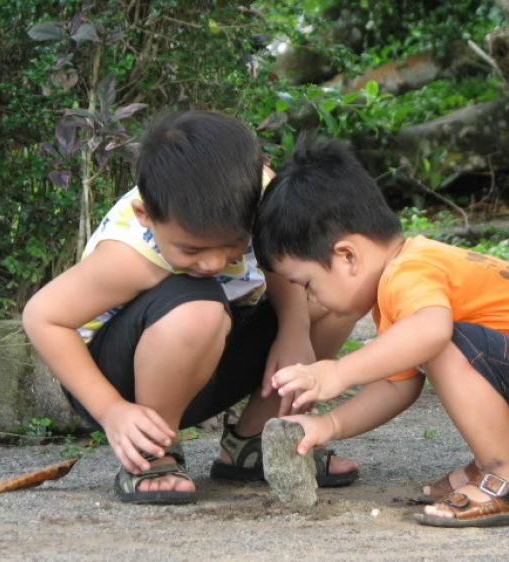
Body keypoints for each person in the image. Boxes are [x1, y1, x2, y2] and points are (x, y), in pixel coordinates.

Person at [253, 136, 509, 528]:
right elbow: (397, 386)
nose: (312, 299)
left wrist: (337, 373)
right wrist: (329, 426)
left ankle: (507, 478)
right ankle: (489, 467)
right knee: (437, 341)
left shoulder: (409, 271)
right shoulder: (401, 283)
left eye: (307, 283)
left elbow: (432, 334)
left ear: (347, 256)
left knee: (441, 340)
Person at [22, 112, 359, 505]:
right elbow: (42, 317)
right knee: (197, 307)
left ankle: (256, 443)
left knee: (334, 292)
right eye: (191, 249)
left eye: (233, 243)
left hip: (210, 352)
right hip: (122, 380)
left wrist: (295, 330)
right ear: (147, 215)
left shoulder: (260, 192)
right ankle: (153, 452)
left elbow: (278, 255)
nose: (213, 263)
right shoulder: (128, 255)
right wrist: (111, 410)